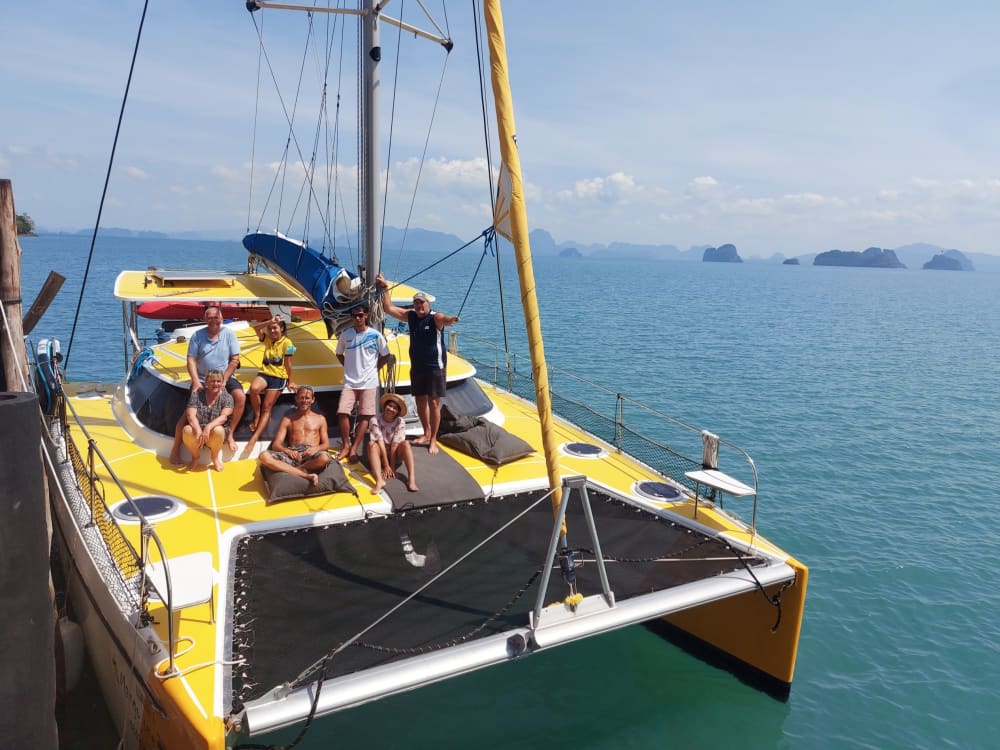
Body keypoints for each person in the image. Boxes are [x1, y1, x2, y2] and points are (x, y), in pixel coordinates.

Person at [376, 273, 458, 454]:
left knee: (434, 403)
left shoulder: (435, 317)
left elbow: (444, 319)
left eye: (422, 302)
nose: (419, 305)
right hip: (418, 367)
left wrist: (450, 320)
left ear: (429, 304)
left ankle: (433, 439)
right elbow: (388, 308)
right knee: (420, 401)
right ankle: (426, 433)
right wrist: (384, 287)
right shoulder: (411, 316)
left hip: (435, 368)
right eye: (416, 303)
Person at [169, 305, 245, 464]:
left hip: (223, 377)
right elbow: (191, 360)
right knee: (186, 414)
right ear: (204, 320)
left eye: (216, 317)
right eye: (209, 317)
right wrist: (196, 381)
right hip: (203, 378)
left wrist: (224, 380)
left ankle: (230, 434)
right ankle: (175, 448)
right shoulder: (197, 336)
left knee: (240, 396)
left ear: (222, 319)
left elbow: (234, 360)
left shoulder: (229, 334)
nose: (213, 320)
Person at [335, 304, 390, 462]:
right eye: (354, 315)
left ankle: (354, 449)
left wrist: (375, 369)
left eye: (360, 315)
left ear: (366, 315)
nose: (357, 318)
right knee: (342, 412)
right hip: (350, 382)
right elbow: (339, 354)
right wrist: (348, 367)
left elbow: (385, 355)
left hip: (369, 382)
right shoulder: (346, 335)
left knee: (364, 416)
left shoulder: (375, 335)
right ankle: (346, 445)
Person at [244, 315, 297, 454]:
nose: (272, 331)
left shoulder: (288, 343)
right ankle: (256, 416)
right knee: (254, 389)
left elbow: (288, 364)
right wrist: (269, 321)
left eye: (275, 328)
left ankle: (254, 438)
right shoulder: (267, 339)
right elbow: (255, 327)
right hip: (265, 374)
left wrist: (290, 380)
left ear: (282, 328)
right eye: (270, 329)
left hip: (279, 377)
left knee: (267, 408)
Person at [258, 385, 331, 486]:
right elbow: (276, 444)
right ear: (296, 398)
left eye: (307, 398)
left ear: (313, 400)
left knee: (324, 458)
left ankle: (295, 470)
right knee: (263, 456)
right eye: (301, 397)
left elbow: (326, 444)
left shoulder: (320, 419)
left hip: (311, 455)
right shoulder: (287, 419)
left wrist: (315, 449)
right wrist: (287, 451)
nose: (304, 401)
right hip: (292, 454)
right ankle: (305, 475)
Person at [180, 369, 234, 472]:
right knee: (187, 430)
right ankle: (195, 457)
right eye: (212, 381)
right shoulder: (197, 395)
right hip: (198, 428)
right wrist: (198, 430)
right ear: (206, 383)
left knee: (219, 430)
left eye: (218, 381)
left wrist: (208, 427)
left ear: (222, 383)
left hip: (214, 431)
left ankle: (215, 457)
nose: (216, 384)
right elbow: (190, 415)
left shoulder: (227, 397)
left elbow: (224, 417)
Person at [368, 392, 418, 494]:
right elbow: (380, 442)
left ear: (397, 412)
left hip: (394, 454)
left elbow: (395, 444)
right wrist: (386, 466)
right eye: (389, 405)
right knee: (371, 444)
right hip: (380, 454)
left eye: (395, 408)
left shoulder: (400, 422)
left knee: (406, 444)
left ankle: (411, 479)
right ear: (385, 406)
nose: (391, 409)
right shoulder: (374, 420)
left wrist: (392, 467)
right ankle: (379, 481)